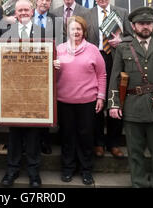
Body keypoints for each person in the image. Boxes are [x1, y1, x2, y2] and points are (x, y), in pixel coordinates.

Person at [108, 7, 153, 188]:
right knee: (135, 152)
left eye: (149, 23)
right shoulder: (123, 48)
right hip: (133, 107)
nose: (145, 27)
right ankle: (138, 183)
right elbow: (115, 78)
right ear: (133, 26)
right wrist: (113, 104)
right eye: (141, 24)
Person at [53, 16, 106, 186]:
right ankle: (68, 168)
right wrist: (53, 68)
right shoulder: (59, 49)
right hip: (64, 100)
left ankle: (86, 170)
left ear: (83, 32)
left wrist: (101, 96)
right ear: (67, 31)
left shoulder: (92, 50)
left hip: (87, 101)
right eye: (72, 29)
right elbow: (50, 75)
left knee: (85, 136)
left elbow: (102, 75)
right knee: (67, 136)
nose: (75, 32)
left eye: (79, 29)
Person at [0, 0, 44, 188]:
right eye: (20, 10)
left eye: (26, 9)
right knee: (14, 133)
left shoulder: (43, 32)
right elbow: (2, 58)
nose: (23, 12)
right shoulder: (6, 32)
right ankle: (12, 171)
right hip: (14, 91)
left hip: (35, 90)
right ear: (15, 13)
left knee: (34, 134)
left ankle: (34, 173)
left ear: (32, 11)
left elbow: (48, 55)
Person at [86, 0, 133, 158]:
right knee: (97, 100)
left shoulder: (121, 12)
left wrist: (121, 40)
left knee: (116, 98)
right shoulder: (87, 14)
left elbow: (131, 35)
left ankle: (113, 143)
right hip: (96, 58)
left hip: (116, 59)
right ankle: (98, 143)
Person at [33, 0, 60, 155]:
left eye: (47, 0)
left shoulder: (55, 20)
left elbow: (59, 43)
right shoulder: (27, 18)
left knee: (44, 105)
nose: (44, 2)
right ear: (36, 0)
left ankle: (44, 140)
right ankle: (30, 140)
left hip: (47, 68)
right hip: (27, 66)